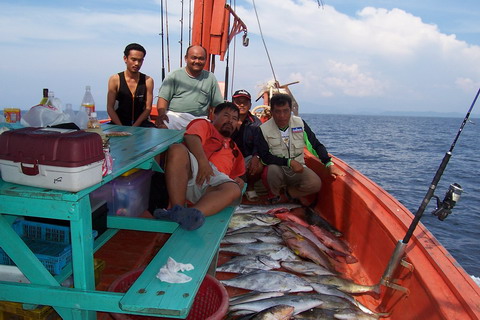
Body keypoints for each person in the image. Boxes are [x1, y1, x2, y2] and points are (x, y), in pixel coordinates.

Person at [153, 102, 245, 230]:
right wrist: (203, 163)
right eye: (226, 115)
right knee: (177, 149)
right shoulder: (205, 125)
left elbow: (236, 177)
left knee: (234, 190)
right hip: (192, 172)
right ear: (213, 115)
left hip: (209, 189)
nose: (230, 121)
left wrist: (239, 180)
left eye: (234, 119)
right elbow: (191, 137)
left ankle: (184, 215)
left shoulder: (234, 149)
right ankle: (177, 208)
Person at [257, 93, 344, 203]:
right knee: (271, 170)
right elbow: (265, 157)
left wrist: (328, 164)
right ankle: (274, 196)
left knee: (315, 183)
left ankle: (286, 196)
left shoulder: (300, 124)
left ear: (291, 110)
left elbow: (315, 145)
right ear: (272, 112)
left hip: (299, 168)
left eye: (286, 111)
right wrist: (289, 162)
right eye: (278, 111)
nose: (282, 115)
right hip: (278, 168)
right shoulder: (263, 129)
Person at [155, 45, 224, 130]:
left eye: (201, 58)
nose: (197, 61)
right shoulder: (173, 75)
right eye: (194, 58)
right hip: (174, 116)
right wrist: (162, 115)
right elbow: (163, 99)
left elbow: (218, 105)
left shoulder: (210, 78)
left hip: (199, 119)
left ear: (206, 60)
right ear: (186, 58)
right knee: (163, 127)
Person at [106, 43, 155, 127]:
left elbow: (148, 108)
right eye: (133, 59)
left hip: (141, 124)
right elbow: (110, 107)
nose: (136, 63)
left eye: (140, 60)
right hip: (119, 124)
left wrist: (134, 127)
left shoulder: (148, 81)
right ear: (125, 58)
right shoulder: (115, 79)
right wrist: (120, 127)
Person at [231, 89, 263, 202]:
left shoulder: (256, 123)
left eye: (245, 102)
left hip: (247, 158)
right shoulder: (226, 121)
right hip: (229, 157)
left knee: (258, 165)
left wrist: (256, 156)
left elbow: (259, 143)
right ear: (232, 103)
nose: (241, 104)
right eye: (238, 101)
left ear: (250, 105)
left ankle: (250, 187)